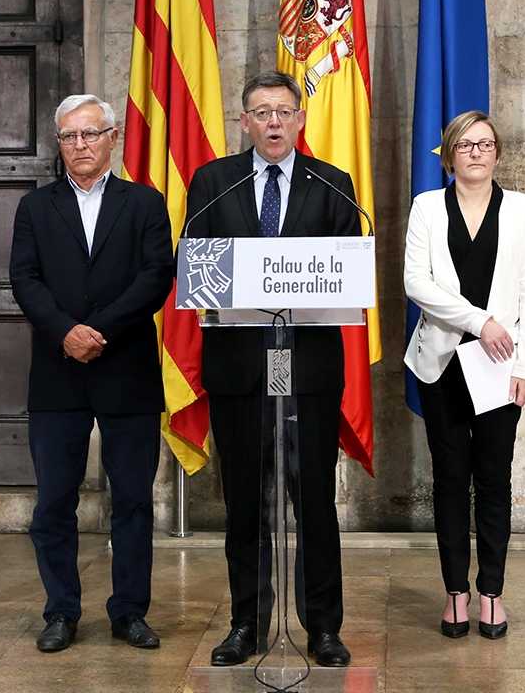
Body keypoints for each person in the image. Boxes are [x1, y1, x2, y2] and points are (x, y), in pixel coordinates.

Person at [185, 71, 357, 668]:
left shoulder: (332, 184)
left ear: (300, 119)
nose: (274, 122)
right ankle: (246, 623)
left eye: (284, 111)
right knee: (245, 504)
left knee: (314, 503)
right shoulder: (214, 182)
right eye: (262, 113)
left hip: (307, 370)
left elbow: (346, 272)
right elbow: (196, 266)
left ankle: (324, 627)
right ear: (245, 122)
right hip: (239, 369)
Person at [9, 94, 172, 653]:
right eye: (69, 136)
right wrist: (67, 332)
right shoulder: (36, 207)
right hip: (57, 373)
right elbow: (24, 279)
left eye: (90, 134)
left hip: (126, 368)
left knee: (132, 500)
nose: (80, 145)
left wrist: (97, 330)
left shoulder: (144, 203)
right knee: (54, 501)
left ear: (112, 137)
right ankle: (61, 611)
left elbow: (156, 276)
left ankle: (130, 612)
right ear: (59, 143)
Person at [402, 111, 525, 640]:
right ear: (449, 154)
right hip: (441, 364)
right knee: (449, 478)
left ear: (498, 153)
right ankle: (455, 593)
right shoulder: (427, 207)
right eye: (465, 145)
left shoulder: (520, 208)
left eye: (485, 144)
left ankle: (491, 592)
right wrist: (478, 321)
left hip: (502, 365)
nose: (476, 153)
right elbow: (417, 283)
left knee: (493, 478)